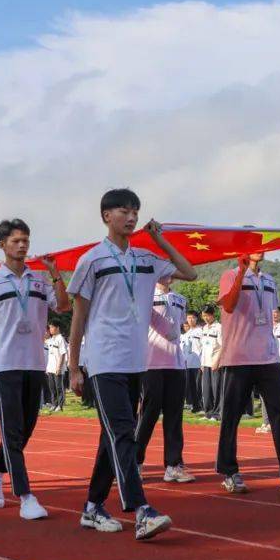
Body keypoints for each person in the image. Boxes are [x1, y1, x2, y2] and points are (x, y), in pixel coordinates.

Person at [67, 188, 196, 541]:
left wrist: (161, 240)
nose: (131, 216)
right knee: (124, 432)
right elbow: (78, 316)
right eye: (124, 210)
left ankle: (93, 506)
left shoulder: (146, 259)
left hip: (137, 362)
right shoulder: (91, 260)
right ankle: (141, 510)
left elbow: (190, 273)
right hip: (104, 360)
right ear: (106, 216)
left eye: (135, 210)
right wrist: (74, 367)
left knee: (112, 437)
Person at [0, 218, 69, 520]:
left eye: (26, 240)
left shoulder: (39, 280)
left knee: (25, 429)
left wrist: (55, 275)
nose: (22, 245)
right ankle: (25, 495)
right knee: (12, 430)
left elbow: (63, 306)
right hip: (7, 364)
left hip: (35, 363)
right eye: (16, 241)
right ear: (2, 245)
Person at [215, 252, 280, 495]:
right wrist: (241, 272)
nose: (259, 247)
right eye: (252, 242)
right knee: (231, 416)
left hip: (268, 357)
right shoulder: (229, 275)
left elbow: (270, 315)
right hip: (239, 357)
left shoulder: (270, 281)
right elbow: (229, 306)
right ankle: (229, 472)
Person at [136, 275, 194, 483]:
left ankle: (173, 465)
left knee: (174, 417)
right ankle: (135, 462)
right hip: (152, 364)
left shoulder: (180, 299)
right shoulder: (145, 296)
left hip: (176, 364)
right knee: (148, 415)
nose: (167, 274)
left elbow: (178, 327)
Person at [199, 305, 223, 420]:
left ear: (213, 315)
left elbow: (222, 346)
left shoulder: (219, 327)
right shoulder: (204, 328)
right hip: (206, 363)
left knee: (216, 389)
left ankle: (217, 414)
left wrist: (217, 361)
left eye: (207, 316)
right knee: (206, 389)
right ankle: (208, 413)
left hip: (215, 363)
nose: (205, 318)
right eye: (203, 316)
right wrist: (202, 363)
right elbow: (203, 347)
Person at [181, 313, 203, 412]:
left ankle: (202, 405)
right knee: (191, 386)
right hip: (188, 364)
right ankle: (195, 406)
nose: (190, 320)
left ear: (196, 319)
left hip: (198, 363)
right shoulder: (186, 334)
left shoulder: (200, 331)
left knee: (199, 386)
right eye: (189, 318)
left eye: (193, 318)